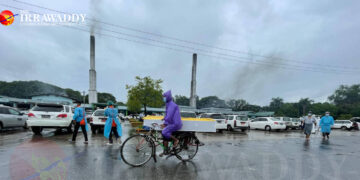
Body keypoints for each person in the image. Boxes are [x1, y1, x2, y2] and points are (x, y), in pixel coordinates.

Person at [160, 90, 182, 156]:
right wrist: (165, 122)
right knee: (164, 135)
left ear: (168, 97)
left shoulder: (172, 105)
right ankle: (165, 150)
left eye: (164, 97)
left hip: (175, 123)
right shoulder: (168, 104)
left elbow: (169, 116)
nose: (163, 98)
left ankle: (176, 140)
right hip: (172, 123)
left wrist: (164, 120)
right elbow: (167, 115)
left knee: (164, 132)